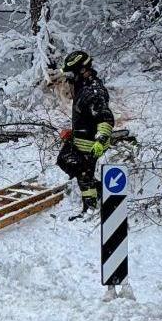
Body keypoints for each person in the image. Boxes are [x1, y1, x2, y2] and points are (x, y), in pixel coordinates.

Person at [56, 50, 115, 220]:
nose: (70, 78)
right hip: (80, 138)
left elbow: (105, 117)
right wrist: (73, 131)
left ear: (82, 70)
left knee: (83, 173)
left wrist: (101, 139)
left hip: (92, 141)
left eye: (72, 73)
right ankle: (101, 191)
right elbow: (86, 115)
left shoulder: (93, 91)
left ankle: (90, 207)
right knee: (65, 159)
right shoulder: (83, 87)